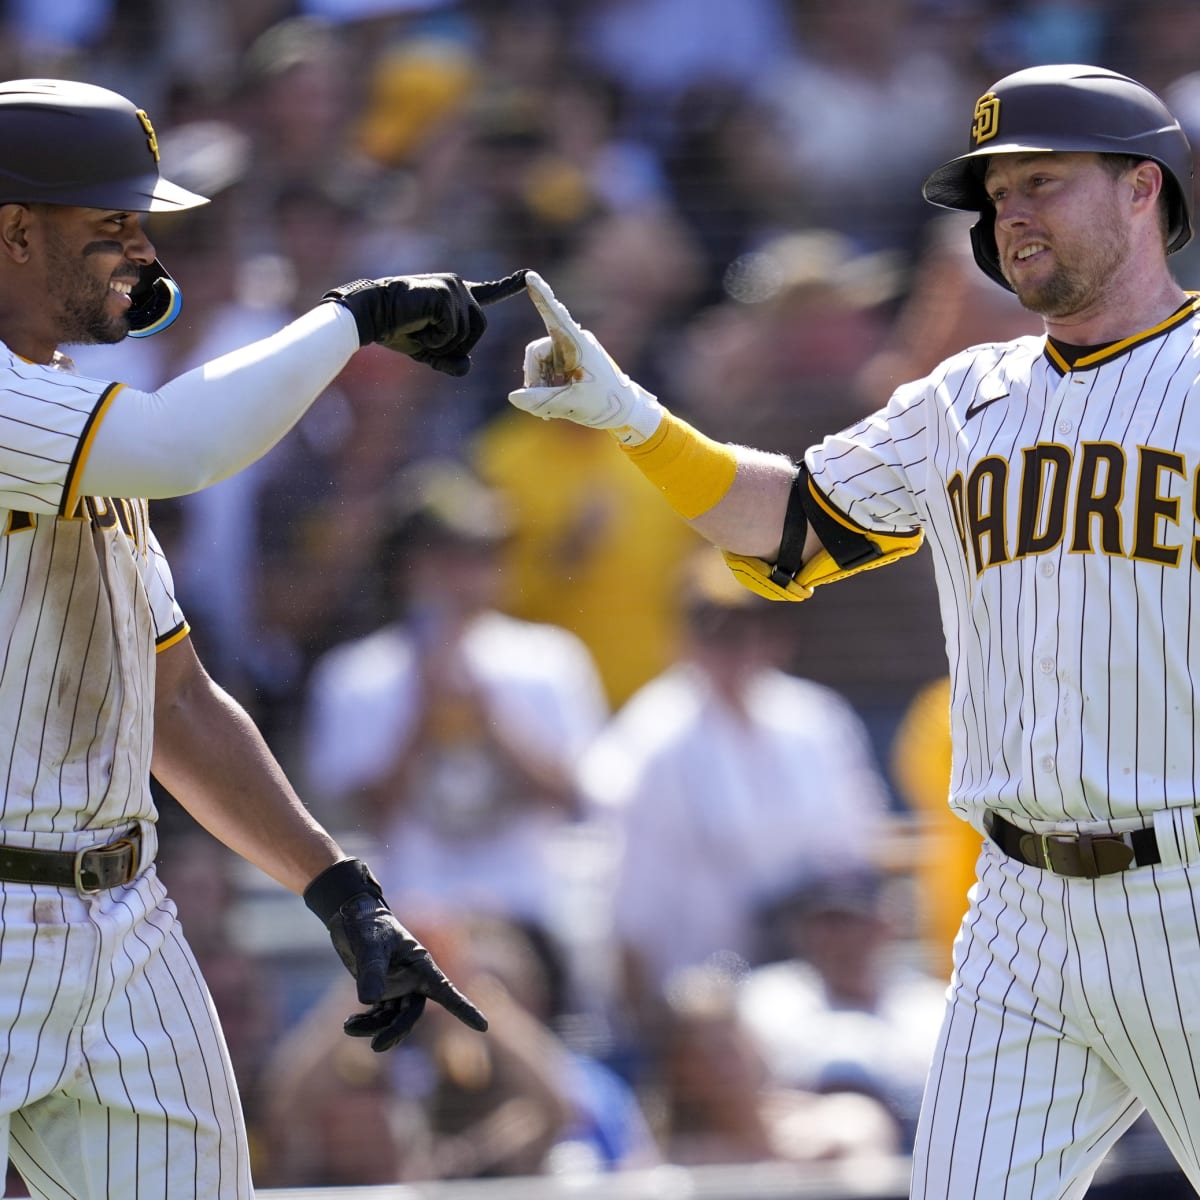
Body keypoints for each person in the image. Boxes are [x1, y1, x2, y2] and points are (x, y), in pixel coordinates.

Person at [506, 63, 1200, 1199]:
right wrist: (631, 416)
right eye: (995, 194)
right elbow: (792, 529)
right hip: (1018, 908)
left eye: (1042, 181)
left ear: (1142, 190)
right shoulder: (962, 396)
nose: (1011, 212)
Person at [0, 76, 527, 1198]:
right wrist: (357, 314)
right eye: (112, 225)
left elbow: (176, 700)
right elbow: (187, 445)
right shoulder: (72, 421)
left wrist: (341, 891)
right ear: (12, 231)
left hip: (123, 918)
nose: (142, 252)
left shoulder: (67, 407)